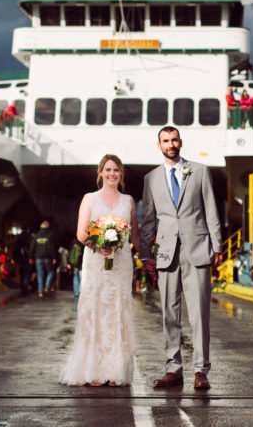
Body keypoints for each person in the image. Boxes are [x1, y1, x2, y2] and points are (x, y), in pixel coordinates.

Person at [140, 126, 222, 391]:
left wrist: (217, 246)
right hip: (165, 253)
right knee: (169, 315)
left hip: (197, 249)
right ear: (159, 145)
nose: (171, 144)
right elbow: (149, 219)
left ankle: (201, 370)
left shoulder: (200, 171)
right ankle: (173, 369)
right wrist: (144, 254)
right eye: (165, 141)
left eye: (174, 140)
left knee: (199, 314)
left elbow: (211, 210)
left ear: (181, 142)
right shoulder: (151, 178)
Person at [59, 153, 140, 387]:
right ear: (101, 173)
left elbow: (134, 234)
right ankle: (93, 369)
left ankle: (115, 370)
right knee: (94, 309)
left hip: (122, 262)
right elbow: (81, 232)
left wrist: (148, 255)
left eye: (116, 170)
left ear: (121, 174)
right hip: (96, 260)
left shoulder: (129, 201)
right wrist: (100, 245)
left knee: (118, 310)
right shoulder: (90, 199)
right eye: (108, 170)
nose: (112, 174)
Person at [29, 218, 57, 298]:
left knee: (40, 275)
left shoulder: (36, 236)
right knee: (51, 272)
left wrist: (31, 257)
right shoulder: (50, 235)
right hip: (47, 257)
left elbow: (32, 247)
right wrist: (53, 257)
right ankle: (47, 287)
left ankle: (40, 292)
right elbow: (51, 247)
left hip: (38, 258)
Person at [12, 226, 32, 295]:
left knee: (21, 272)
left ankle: (23, 286)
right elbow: (31, 248)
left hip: (20, 258)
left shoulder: (18, 237)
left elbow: (15, 248)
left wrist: (14, 258)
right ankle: (25, 283)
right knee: (27, 272)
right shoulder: (29, 237)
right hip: (27, 257)